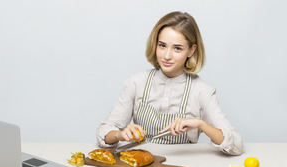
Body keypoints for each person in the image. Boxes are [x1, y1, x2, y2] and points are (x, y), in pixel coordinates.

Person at [96, 11, 243, 155]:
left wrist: (201, 124)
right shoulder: (136, 82)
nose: (167, 56)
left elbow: (236, 145)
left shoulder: (202, 91)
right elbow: (104, 132)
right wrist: (120, 135)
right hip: (141, 166)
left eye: (177, 48)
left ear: (191, 50)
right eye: (162, 45)